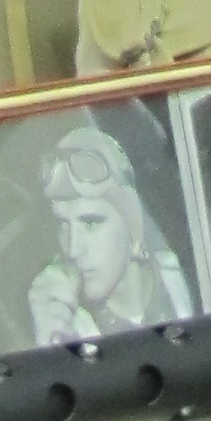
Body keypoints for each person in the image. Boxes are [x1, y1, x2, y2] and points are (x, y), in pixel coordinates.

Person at [24, 121, 197, 343]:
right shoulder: (68, 328)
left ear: (132, 227)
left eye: (92, 223)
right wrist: (47, 346)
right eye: (63, 226)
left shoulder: (190, 277)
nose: (74, 249)